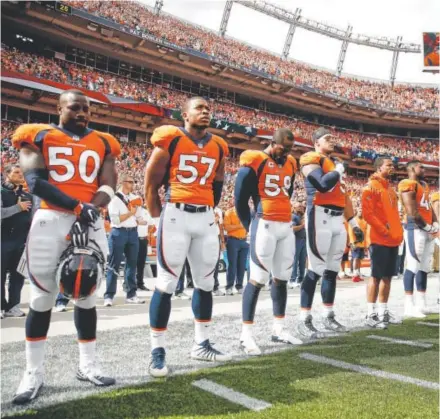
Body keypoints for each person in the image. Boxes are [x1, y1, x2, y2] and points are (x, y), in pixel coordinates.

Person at [11, 89, 119, 404]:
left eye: (86, 108)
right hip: (50, 218)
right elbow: (35, 182)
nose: (82, 113)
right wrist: (77, 207)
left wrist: (90, 210)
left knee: (86, 294)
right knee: (42, 297)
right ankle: (33, 372)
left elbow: (109, 184)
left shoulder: (103, 141)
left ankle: (88, 364)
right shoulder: (38, 135)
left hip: (89, 220)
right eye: (75, 107)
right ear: (59, 108)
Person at [144, 97, 231, 377]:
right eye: (200, 108)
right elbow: (151, 182)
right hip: (176, 214)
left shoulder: (218, 145)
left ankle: (201, 343)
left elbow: (217, 184)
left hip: (204, 216)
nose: (206, 112)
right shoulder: (171, 138)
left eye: (209, 109)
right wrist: (158, 218)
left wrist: (209, 208)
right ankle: (157, 350)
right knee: (167, 282)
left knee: (206, 283)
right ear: (184, 114)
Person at [235, 127, 301, 355]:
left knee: (282, 278)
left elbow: (288, 192)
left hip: (285, 225)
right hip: (263, 224)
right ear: (273, 142)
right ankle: (246, 335)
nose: (287, 153)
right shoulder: (255, 160)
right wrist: (249, 226)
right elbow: (240, 200)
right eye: (283, 148)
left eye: (291, 149)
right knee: (257, 278)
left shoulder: (292, 163)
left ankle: (279, 328)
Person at [298, 128, 364, 338]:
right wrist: (339, 171)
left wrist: (353, 223)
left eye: (333, 138)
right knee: (316, 268)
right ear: (316, 142)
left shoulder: (334, 164)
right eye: (328, 138)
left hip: (337, 219)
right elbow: (323, 185)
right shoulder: (311, 158)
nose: (332, 141)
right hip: (319, 214)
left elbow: (344, 198)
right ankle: (304, 318)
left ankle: (328, 314)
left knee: (332, 270)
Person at [362, 157, 403, 329]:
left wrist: (396, 233)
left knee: (388, 277)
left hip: (393, 239)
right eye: (388, 165)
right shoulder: (370, 187)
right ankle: (370, 314)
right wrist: (385, 231)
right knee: (376, 276)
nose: (392, 168)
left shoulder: (391, 190)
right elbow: (368, 214)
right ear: (379, 168)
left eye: (392, 165)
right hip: (379, 239)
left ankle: (383, 311)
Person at [398, 161, 438, 318]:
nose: (424, 169)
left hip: (427, 228)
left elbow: (428, 207)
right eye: (421, 167)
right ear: (412, 169)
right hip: (415, 228)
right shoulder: (407, 184)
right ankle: (409, 305)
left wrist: (434, 223)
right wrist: (427, 227)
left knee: (424, 267)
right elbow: (412, 211)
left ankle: (422, 303)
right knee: (413, 265)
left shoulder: (424, 185)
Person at [104, 175, 145, 306]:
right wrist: (130, 214)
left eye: (134, 182)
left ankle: (131, 294)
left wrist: (141, 220)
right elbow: (115, 220)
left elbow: (138, 216)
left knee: (132, 264)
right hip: (118, 232)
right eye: (130, 182)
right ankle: (109, 295)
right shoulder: (114, 199)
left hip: (133, 232)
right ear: (123, 182)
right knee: (113, 265)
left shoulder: (134, 198)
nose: (133, 184)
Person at [1, 165, 33, 318]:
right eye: (16, 172)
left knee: (18, 275)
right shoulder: (1, 192)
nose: (21, 175)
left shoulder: (27, 195)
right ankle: (1, 306)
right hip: (3, 239)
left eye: (22, 173)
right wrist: (17, 207)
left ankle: (13, 306)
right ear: (6, 174)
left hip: (21, 241)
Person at [223, 204, 249, 295]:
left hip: (244, 240)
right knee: (232, 265)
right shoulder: (229, 212)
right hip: (233, 240)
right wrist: (240, 226)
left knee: (242, 266)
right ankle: (229, 286)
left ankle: (239, 286)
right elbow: (226, 227)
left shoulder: (246, 212)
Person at [136, 203, 153, 291]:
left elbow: (150, 225)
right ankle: (128, 284)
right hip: (134, 239)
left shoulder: (146, 212)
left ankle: (140, 283)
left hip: (143, 239)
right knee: (131, 262)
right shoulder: (132, 211)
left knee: (141, 262)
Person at [290, 202, 307, 288]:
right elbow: (292, 229)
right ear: (294, 207)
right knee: (295, 260)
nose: (301, 207)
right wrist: (302, 225)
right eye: (298, 206)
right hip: (296, 240)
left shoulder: (302, 216)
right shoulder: (293, 216)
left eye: (301, 206)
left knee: (302, 261)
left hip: (304, 240)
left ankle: (301, 279)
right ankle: (292, 279)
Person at [348, 209, 368, 283]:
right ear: (357, 211)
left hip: (362, 244)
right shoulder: (354, 220)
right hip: (355, 243)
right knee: (355, 258)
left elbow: (365, 233)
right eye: (360, 210)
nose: (361, 211)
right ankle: (354, 275)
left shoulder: (364, 220)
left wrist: (365, 244)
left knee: (359, 259)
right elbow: (350, 231)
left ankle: (358, 274)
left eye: (362, 210)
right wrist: (353, 242)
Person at [431, 192, 440, 273]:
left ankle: (435, 265)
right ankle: (436, 265)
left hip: (435, 223)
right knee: (437, 244)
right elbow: (436, 211)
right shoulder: (437, 199)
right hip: (437, 223)